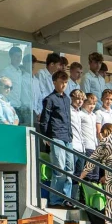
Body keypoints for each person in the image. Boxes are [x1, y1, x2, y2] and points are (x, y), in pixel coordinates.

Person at [37, 69, 74, 207]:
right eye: (61, 82)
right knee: (59, 169)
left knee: (69, 170)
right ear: (54, 82)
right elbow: (44, 120)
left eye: (66, 82)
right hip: (56, 136)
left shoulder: (67, 99)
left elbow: (68, 120)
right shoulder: (49, 99)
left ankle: (66, 199)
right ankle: (55, 200)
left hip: (67, 137)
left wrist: (70, 135)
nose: (64, 85)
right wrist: (46, 136)